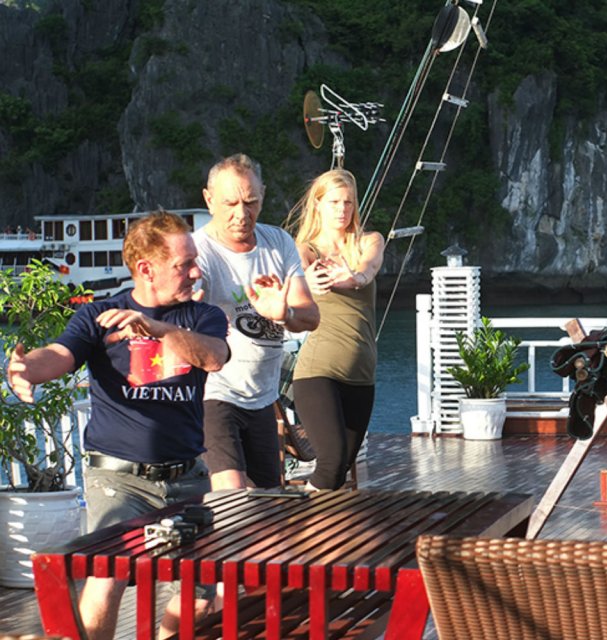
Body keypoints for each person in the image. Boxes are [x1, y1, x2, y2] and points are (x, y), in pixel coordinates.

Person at [5, 210, 230, 639]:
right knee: (106, 578)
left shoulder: (202, 317)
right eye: (184, 264)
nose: (196, 271)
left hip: (188, 477)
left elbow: (213, 357)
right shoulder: (99, 315)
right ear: (146, 269)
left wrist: (155, 328)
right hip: (118, 481)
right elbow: (60, 354)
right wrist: (26, 368)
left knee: (201, 595)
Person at [194, 153, 320, 491]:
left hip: (263, 397)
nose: (241, 214)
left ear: (262, 196)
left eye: (250, 202)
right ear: (209, 200)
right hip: (215, 394)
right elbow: (187, 298)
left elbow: (311, 317)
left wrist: (284, 314)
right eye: (230, 203)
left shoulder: (277, 243)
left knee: (268, 499)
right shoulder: (199, 252)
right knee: (232, 496)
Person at [285, 169, 383, 490]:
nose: (342, 209)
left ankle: (321, 530)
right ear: (318, 205)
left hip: (362, 372)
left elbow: (369, 267)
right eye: (334, 202)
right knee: (331, 459)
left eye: (348, 202)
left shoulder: (369, 241)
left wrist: (354, 278)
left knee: (341, 467)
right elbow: (301, 271)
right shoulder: (306, 249)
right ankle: (301, 527)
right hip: (317, 371)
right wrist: (308, 282)